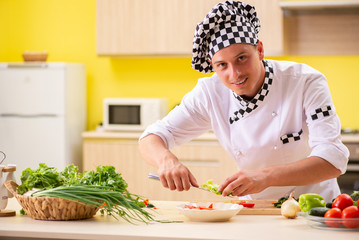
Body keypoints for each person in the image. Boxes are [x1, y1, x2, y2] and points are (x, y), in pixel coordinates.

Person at [138, 1, 349, 202]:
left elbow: (333, 159)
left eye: (241, 58)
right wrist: (167, 161)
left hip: (314, 207)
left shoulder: (305, 82)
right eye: (222, 65)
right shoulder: (209, 93)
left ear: (259, 50)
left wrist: (266, 177)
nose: (235, 74)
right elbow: (151, 137)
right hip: (255, 209)